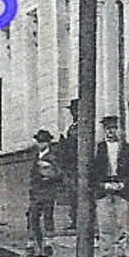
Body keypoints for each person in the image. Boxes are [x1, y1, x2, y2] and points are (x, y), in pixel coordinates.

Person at [90, 115, 129, 257]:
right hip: (104, 189)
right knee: (104, 224)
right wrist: (102, 185)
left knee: (121, 224)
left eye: (113, 129)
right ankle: (105, 255)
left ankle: (121, 256)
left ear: (118, 130)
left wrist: (123, 184)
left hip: (121, 189)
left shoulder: (125, 148)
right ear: (104, 131)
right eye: (108, 129)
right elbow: (93, 172)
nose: (111, 132)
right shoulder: (100, 149)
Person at [28, 129, 62, 257]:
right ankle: (34, 244)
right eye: (39, 142)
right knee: (33, 218)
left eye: (44, 142)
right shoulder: (35, 156)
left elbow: (59, 174)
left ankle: (49, 244)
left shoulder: (53, 157)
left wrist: (49, 175)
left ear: (48, 143)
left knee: (48, 217)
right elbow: (32, 175)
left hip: (48, 191)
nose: (41, 144)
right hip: (36, 192)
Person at [58, 99, 81, 232]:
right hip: (71, 165)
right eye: (72, 111)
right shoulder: (73, 126)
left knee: (78, 192)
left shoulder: (81, 127)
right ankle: (74, 220)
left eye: (75, 110)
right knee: (72, 194)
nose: (74, 113)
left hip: (78, 164)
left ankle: (80, 221)